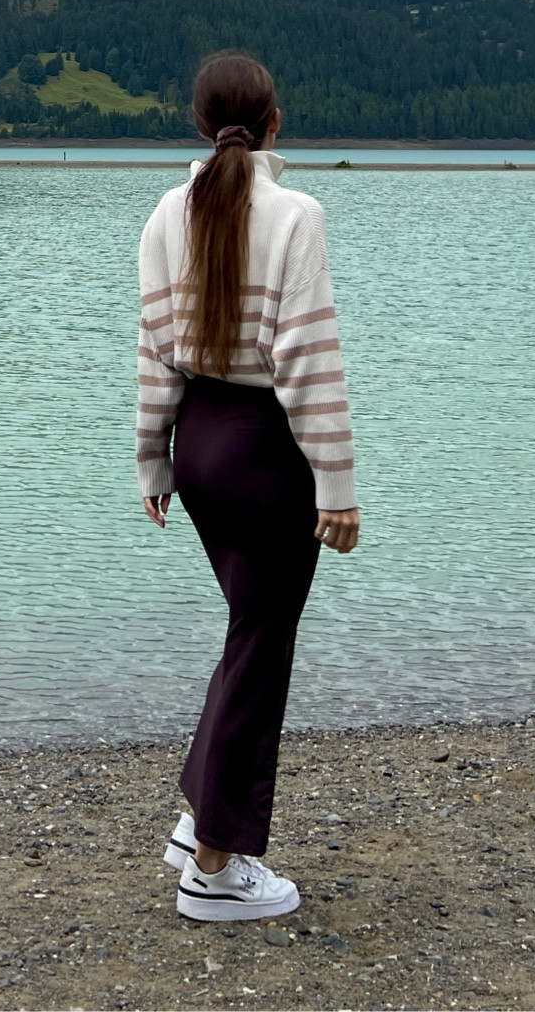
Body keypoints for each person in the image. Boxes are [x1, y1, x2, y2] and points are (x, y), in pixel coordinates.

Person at [136, 51, 360, 923]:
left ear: (199, 122)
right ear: (276, 122)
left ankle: (202, 819)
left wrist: (153, 459)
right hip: (267, 450)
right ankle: (216, 869)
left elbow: (154, 351)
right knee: (262, 647)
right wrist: (335, 483)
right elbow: (308, 358)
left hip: (200, 446)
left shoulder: (165, 211)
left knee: (248, 632)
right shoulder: (296, 213)